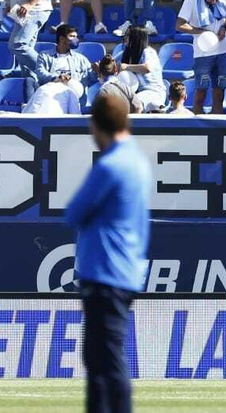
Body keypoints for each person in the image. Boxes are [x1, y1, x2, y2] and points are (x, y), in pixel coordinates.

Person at [65, 93, 151, 413]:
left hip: (105, 271)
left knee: (106, 361)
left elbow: (74, 212)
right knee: (104, 360)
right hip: (124, 270)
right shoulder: (137, 162)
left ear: (98, 125)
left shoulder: (111, 164)